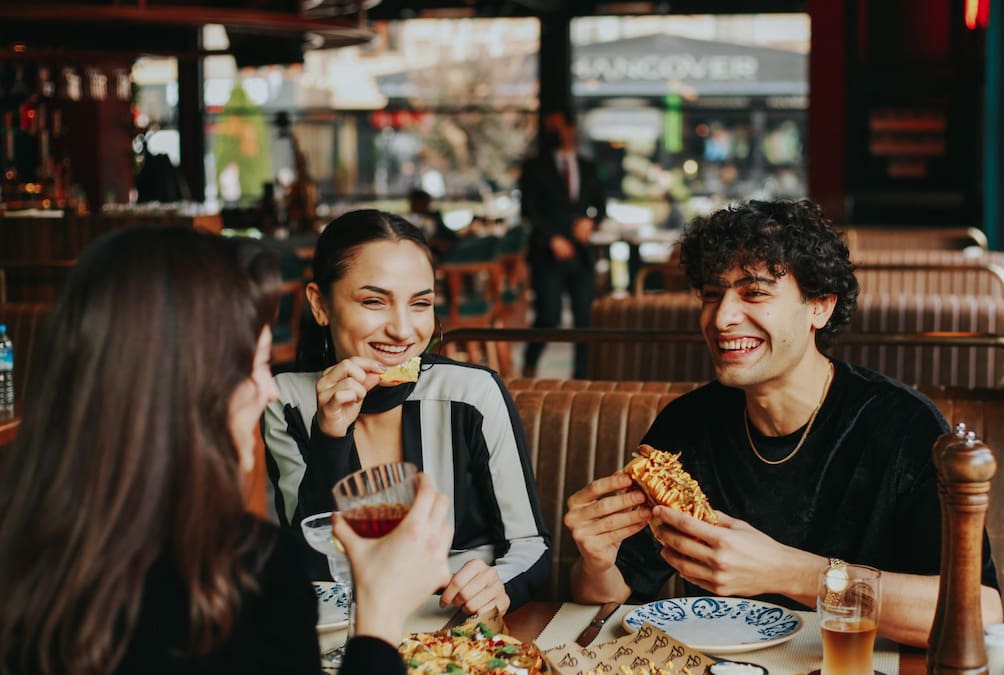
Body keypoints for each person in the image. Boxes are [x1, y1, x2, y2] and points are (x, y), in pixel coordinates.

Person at [0, 227, 454, 675]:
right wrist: (379, 616)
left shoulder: (23, 547)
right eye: (255, 366)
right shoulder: (248, 575)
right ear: (182, 384)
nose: (267, 393)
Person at [562, 200, 1003, 647]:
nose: (720, 317)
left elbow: (980, 612)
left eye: (754, 293)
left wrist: (791, 572)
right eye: (712, 294)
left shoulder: (903, 426)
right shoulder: (687, 426)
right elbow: (612, 593)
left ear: (821, 306)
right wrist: (596, 561)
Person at [264, 209, 550, 616]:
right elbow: (313, 568)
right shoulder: (287, 403)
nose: (402, 329)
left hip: (458, 627)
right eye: (374, 301)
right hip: (348, 630)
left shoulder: (472, 393)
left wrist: (496, 584)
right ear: (320, 304)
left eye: (420, 304)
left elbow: (529, 545)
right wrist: (330, 436)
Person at [518, 105, 607, 379]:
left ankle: (582, 377)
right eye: (548, 128)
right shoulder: (534, 167)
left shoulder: (587, 166)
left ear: (570, 128)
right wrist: (552, 238)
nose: (552, 133)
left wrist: (590, 221)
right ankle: (530, 365)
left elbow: (600, 205)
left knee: (585, 319)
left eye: (557, 127)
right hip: (548, 254)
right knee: (548, 316)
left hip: (581, 254)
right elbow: (529, 211)